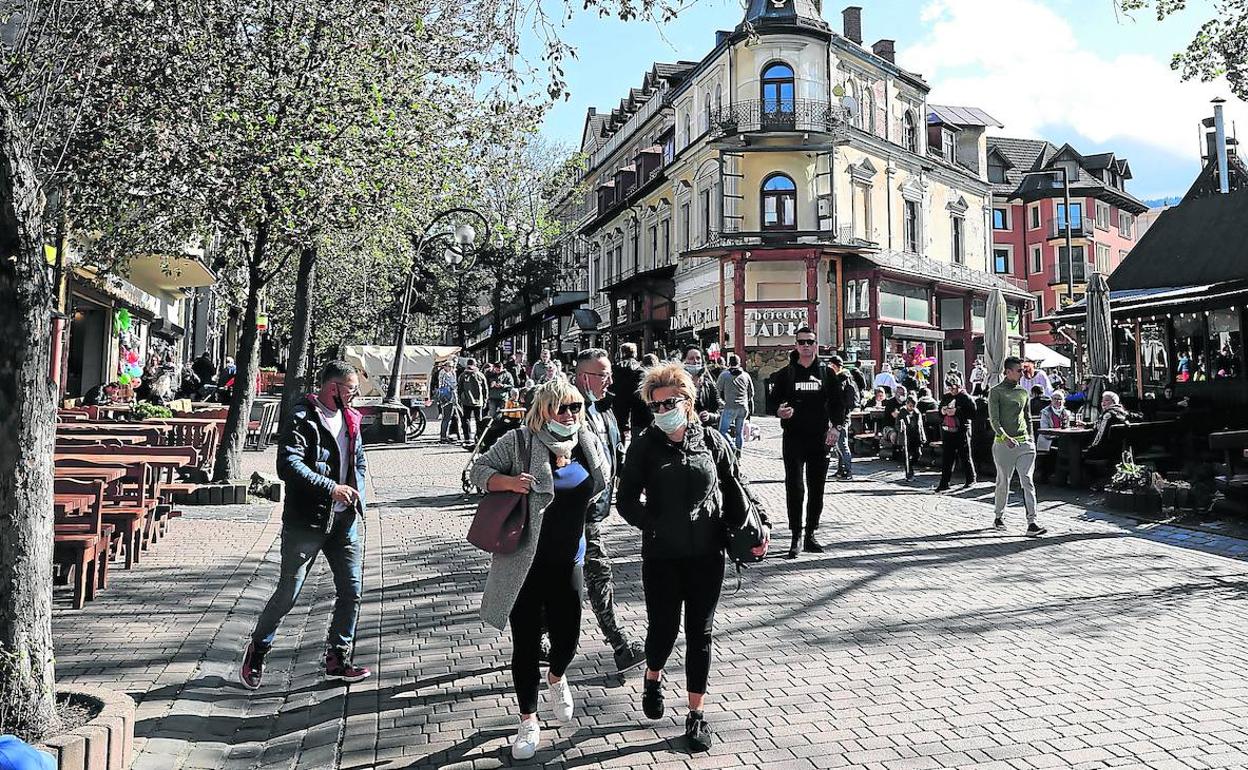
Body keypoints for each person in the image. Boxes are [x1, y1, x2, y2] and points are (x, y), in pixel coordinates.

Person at [617, 363, 768, 753]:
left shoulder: (713, 442)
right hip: (662, 556)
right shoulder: (644, 445)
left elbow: (738, 485)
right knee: (663, 631)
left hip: (707, 553)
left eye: (670, 401)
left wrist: (760, 524)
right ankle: (653, 675)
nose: (663, 409)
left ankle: (696, 713)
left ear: (688, 400)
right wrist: (653, 525)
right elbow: (626, 499)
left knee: (700, 634)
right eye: (656, 404)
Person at [469, 379, 608, 760]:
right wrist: (509, 482)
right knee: (526, 644)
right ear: (544, 410)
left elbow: (600, 486)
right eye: (562, 408)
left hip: (569, 560)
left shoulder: (587, 441)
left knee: (568, 638)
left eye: (576, 407)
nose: (570, 415)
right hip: (523, 563)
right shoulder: (519, 441)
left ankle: (557, 677)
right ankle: (528, 720)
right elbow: (477, 471)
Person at [241, 361, 370, 690]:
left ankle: (337, 657)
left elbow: (358, 461)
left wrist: (359, 497)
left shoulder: (351, 418)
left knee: (351, 591)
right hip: (307, 522)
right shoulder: (302, 416)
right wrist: (330, 488)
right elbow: (288, 464)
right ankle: (258, 649)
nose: (354, 395)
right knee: (289, 593)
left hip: (344, 521)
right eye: (351, 389)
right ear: (333, 389)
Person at [571, 349, 646, 672]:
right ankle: (620, 644)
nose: (610, 380)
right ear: (585, 377)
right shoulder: (569, 408)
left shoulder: (605, 409)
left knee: (563, 579)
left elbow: (613, 454)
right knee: (598, 572)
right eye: (603, 375)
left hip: (595, 509)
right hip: (574, 511)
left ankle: (539, 636)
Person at [770, 327, 837, 557]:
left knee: (817, 488)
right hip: (793, 439)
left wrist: (837, 427)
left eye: (810, 342)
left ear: (816, 345)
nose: (806, 346)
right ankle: (795, 536)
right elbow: (772, 403)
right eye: (802, 342)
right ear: (796, 346)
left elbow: (839, 404)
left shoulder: (827, 374)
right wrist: (779, 411)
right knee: (795, 487)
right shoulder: (786, 374)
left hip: (819, 438)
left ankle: (810, 534)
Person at [988, 357, 1046, 536]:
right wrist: (1004, 437)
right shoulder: (996, 392)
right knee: (1003, 481)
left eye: (1024, 370)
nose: (1023, 373)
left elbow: (1027, 417)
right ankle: (999, 516)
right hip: (1003, 444)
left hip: (1024, 444)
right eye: (1020, 370)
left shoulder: (1023, 392)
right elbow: (994, 420)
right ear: (1008, 371)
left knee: (1027, 480)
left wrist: (1030, 438)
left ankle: (1032, 522)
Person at [935, 377, 977, 491]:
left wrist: (957, 411)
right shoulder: (946, 397)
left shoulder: (966, 398)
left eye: (954, 388)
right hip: (947, 431)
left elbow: (973, 414)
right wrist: (943, 411)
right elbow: (939, 411)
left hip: (961, 430)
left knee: (965, 456)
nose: (952, 390)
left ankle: (970, 479)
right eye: (949, 388)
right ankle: (944, 483)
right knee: (947, 458)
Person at [716, 354, 753, 450]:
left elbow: (717, 390)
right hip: (743, 407)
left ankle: (733, 448)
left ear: (729, 363)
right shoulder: (746, 375)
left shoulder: (724, 375)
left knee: (722, 431)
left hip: (730, 406)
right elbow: (751, 392)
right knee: (739, 432)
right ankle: (739, 452)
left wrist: (720, 402)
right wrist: (745, 400)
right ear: (739, 363)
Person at [1037, 390, 1073, 483]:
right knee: (1054, 450)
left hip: (1063, 439)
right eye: (1055, 399)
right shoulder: (1045, 412)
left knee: (1072, 450)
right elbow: (1044, 429)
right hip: (1048, 439)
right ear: (1051, 400)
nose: (1058, 401)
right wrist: (1056, 435)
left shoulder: (1067, 413)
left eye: (1060, 399)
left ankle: (1066, 476)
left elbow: (1069, 427)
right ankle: (1049, 476)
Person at [1087, 391, 1137, 455]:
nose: (1103, 403)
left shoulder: (1108, 415)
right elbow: (1100, 423)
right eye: (1102, 401)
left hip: (1104, 451)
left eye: (1107, 400)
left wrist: (1091, 448)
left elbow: (1100, 435)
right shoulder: (1121, 413)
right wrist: (1087, 425)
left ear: (1114, 402)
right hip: (1119, 451)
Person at [684, 347, 721, 428]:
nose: (695, 361)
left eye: (698, 358)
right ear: (684, 361)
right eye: (691, 358)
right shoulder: (677, 384)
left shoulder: (708, 384)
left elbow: (718, 410)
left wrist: (709, 416)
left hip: (704, 430)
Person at [612, 342, 644, 435]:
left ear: (621, 353)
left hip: (619, 400)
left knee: (619, 428)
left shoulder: (615, 368)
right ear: (635, 353)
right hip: (637, 401)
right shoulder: (640, 369)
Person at [457, 359, 488, 446]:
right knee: (479, 420)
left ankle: (467, 438)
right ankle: (478, 438)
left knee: (466, 419)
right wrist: (485, 399)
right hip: (478, 401)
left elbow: (459, 388)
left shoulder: (463, 375)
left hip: (466, 401)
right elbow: (485, 388)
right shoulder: (480, 375)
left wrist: (460, 398)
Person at [896, 396, 923, 479]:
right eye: (910, 405)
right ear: (907, 404)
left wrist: (922, 437)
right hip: (906, 436)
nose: (912, 408)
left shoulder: (917, 413)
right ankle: (909, 472)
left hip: (915, 436)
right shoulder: (902, 413)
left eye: (913, 406)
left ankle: (910, 466)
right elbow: (897, 425)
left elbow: (920, 426)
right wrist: (901, 428)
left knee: (918, 454)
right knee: (906, 455)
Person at [436, 361, 460, 443]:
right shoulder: (445, 374)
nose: (451, 368)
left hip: (449, 397)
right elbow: (452, 385)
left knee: (450, 417)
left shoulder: (447, 373)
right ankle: (443, 436)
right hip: (448, 397)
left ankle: (448, 434)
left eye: (452, 366)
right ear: (445, 366)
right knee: (446, 417)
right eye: (450, 366)